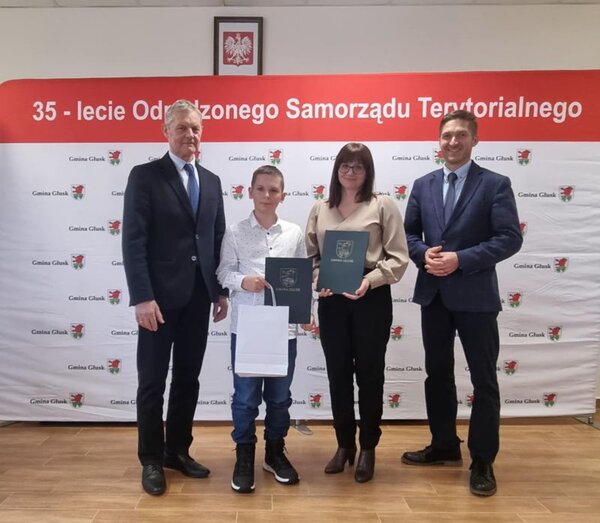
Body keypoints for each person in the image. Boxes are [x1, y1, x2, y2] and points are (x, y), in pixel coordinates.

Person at [402, 110, 523, 496]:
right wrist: (423, 254)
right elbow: (408, 234)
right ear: (438, 141)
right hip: (434, 295)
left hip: (476, 297)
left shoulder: (495, 184)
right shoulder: (422, 184)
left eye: (461, 135)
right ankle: (443, 446)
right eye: (447, 136)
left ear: (474, 140)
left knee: (484, 381)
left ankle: (483, 460)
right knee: (437, 374)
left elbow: (509, 238)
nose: (452, 142)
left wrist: (461, 259)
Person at [122, 99, 228, 496]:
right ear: (166, 132)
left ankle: (177, 451)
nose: (190, 135)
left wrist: (219, 290)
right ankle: (151, 459)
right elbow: (133, 240)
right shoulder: (145, 176)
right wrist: (142, 297)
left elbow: (216, 239)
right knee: (152, 381)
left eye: (196, 128)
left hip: (199, 297)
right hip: (158, 302)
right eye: (182, 127)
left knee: (187, 379)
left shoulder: (212, 181)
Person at [305, 142, 409, 483]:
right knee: (337, 375)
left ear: (368, 171)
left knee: (369, 375)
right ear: (336, 170)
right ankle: (344, 445)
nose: (350, 172)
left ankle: (368, 448)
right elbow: (312, 257)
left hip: (370, 299)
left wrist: (370, 280)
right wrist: (320, 279)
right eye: (345, 166)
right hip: (332, 300)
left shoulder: (383, 205)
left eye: (358, 166)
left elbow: (398, 257)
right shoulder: (320, 208)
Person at [216, 165, 306, 494]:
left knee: (280, 398)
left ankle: (274, 453)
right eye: (261, 189)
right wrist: (244, 281)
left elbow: (301, 278)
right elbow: (223, 272)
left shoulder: (294, 233)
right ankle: (244, 456)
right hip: (248, 328)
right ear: (250, 192)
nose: (267, 195)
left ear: (283, 195)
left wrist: (306, 310)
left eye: (274, 190)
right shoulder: (235, 232)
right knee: (245, 399)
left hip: (284, 329)